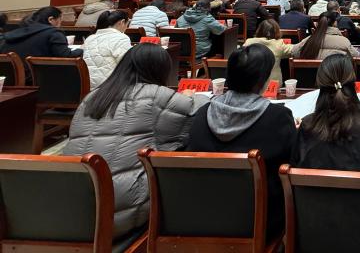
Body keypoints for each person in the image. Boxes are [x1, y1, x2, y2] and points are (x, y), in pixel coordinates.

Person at [63, 43, 203, 239]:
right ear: (160, 70)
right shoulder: (157, 95)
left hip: (66, 203)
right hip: (116, 209)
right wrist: (190, 96)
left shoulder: (92, 97)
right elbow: (195, 115)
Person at [185, 43, 295, 242]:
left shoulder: (202, 115)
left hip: (200, 217)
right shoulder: (278, 118)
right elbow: (293, 163)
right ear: (264, 80)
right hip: (259, 222)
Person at [292, 54, 360, 172]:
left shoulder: (307, 125)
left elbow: (296, 162)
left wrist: (301, 130)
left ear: (320, 84)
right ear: (353, 82)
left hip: (315, 185)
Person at [1, 6, 80, 82]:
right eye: (60, 19)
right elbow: (66, 56)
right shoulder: (54, 33)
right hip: (37, 81)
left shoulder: (11, 34)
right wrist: (83, 50)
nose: (61, 23)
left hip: (8, 80)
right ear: (51, 19)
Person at [82, 10, 132, 89]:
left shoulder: (90, 38)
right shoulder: (121, 38)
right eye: (127, 24)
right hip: (110, 88)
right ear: (122, 22)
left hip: (89, 86)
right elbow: (128, 64)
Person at [243, 19, 293, 86]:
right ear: (277, 31)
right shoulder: (279, 44)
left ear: (259, 30)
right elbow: (296, 50)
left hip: (251, 85)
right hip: (273, 86)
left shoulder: (248, 42)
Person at [291, 12, 360, 59]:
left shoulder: (309, 39)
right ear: (335, 23)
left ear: (317, 24)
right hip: (335, 76)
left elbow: (294, 52)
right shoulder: (344, 41)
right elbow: (356, 56)